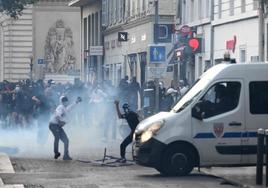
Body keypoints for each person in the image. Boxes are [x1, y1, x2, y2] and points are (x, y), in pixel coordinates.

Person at [49, 96, 82, 160]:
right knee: (57, 137)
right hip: (53, 125)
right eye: (64, 100)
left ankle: (66, 156)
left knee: (66, 140)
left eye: (66, 100)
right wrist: (60, 121)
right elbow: (57, 115)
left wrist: (76, 102)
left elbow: (71, 107)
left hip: (57, 126)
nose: (65, 102)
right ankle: (56, 153)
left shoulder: (65, 108)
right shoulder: (60, 107)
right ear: (62, 101)